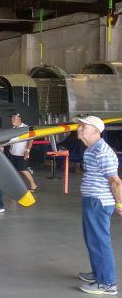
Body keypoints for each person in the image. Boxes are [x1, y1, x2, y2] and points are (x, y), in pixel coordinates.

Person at [74, 115, 122, 295]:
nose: (78, 129)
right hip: (92, 200)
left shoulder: (102, 151)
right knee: (92, 240)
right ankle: (98, 274)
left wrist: (120, 204)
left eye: (83, 127)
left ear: (96, 130)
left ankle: (108, 284)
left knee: (100, 242)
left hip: (98, 202)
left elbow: (116, 182)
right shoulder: (91, 149)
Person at [9, 113, 38, 192]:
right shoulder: (13, 128)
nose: (12, 120)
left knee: (23, 169)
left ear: (19, 119)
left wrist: (27, 151)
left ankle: (33, 184)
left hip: (21, 153)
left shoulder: (26, 128)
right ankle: (15, 186)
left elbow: (30, 140)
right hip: (12, 152)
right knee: (13, 170)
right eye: (12, 119)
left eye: (14, 119)